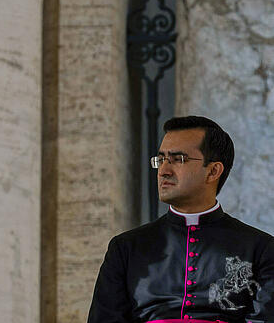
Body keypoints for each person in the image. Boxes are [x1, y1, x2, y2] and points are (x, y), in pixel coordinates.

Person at [87, 116, 274, 323]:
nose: (164, 171)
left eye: (178, 159)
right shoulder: (125, 249)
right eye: (161, 159)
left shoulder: (262, 249)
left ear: (213, 171)